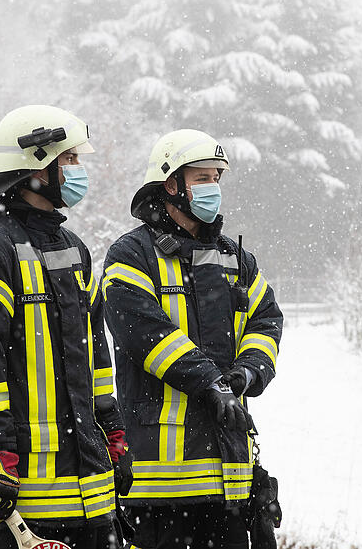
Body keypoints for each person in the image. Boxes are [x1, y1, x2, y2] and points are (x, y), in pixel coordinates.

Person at [0, 105, 132, 549]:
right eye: (68, 160)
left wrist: (113, 427)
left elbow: (94, 356)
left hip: (92, 507)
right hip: (21, 510)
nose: (78, 171)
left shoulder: (74, 250)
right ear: (35, 164)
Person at [101, 128, 283, 549]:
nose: (212, 188)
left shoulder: (234, 258)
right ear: (171, 185)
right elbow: (145, 332)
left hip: (232, 481)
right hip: (161, 489)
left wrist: (245, 375)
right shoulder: (132, 256)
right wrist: (211, 382)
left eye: (217, 179)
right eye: (202, 178)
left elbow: (266, 320)